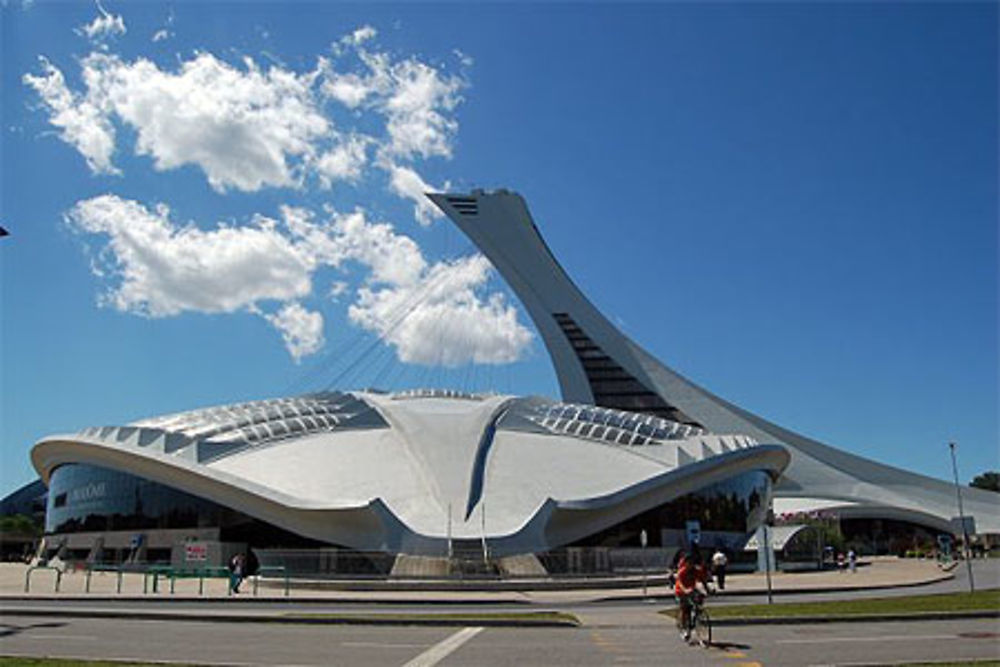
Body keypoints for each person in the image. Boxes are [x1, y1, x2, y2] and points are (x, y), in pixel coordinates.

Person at [674, 545, 710, 641]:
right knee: (685, 608)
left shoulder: (695, 571)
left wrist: (707, 590)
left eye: (692, 562)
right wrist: (685, 590)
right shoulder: (682, 571)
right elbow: (680, 583)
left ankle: (697, 618)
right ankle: (684, 627)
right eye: (689, 562)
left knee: (698, 600)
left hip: (691, 589)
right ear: (685, 563)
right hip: (681, 591)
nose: (691, 564)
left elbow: (702, 580)